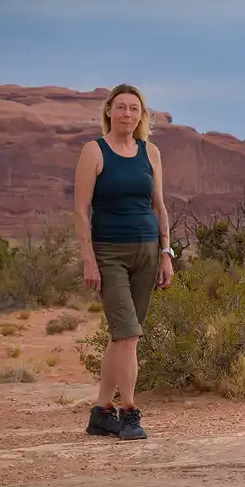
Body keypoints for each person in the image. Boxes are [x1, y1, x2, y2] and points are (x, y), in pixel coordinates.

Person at [73, 83, 174, 441]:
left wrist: (166, 252)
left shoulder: (151, 153)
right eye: (121, 107)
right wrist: (88, 259)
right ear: (108, 111)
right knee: (128, 334)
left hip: (147, 250)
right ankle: (129, 411)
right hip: (109, 252)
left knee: (123, 339)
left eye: (134, 109)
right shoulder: (94, 151)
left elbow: (159, 206)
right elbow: (81, 209)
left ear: (141, 115)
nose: (127, 114)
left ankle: (101, 412)